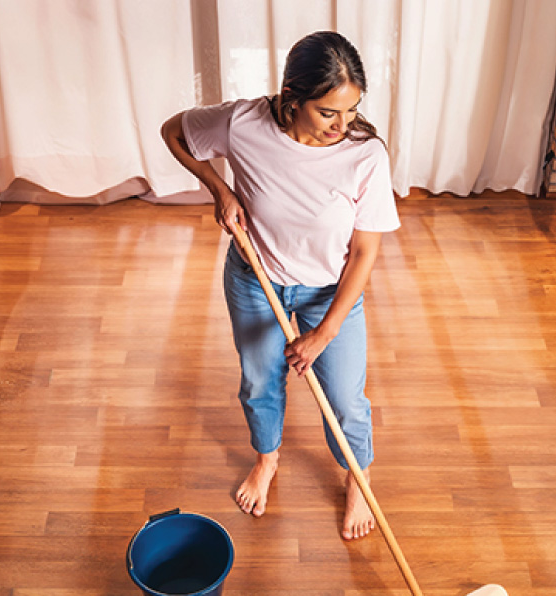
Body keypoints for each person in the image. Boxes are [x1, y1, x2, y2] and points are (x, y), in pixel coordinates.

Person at [161, 30, 399, 541]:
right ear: (292, 98)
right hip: (255, 279)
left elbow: (365, 253)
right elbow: (174, 133)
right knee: (258, 384)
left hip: (330, 293)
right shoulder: (243, 123)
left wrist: (323, 334)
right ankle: (267, 459)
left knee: (345, 398)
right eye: (329, 112)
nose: (343, 125)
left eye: (352, 111)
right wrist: (220, 189)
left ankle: (358, 476)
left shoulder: (366, 155)